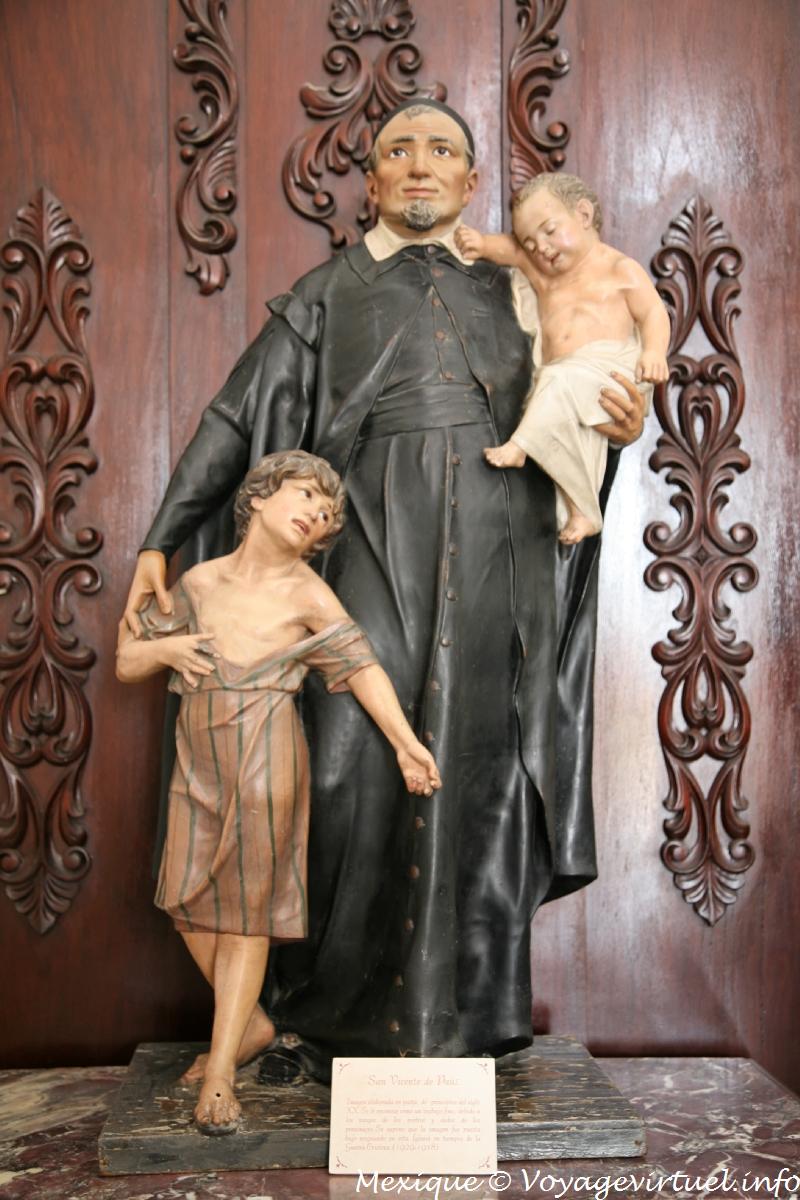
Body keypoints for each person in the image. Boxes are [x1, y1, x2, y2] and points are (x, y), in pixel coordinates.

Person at [123, 100, 646, 1082]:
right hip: (362, 544)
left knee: (482, 772)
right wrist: (160, 539)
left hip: (499, 557)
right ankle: (323, 1014)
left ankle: (461, 1019)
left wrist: (615, 428)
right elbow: (235, 419)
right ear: (370, 182)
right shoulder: (329, 293)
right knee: (342, 769)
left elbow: (587, 394)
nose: (418, 164)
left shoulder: (522, 291)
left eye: (441, 150)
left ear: (470, 181)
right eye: (397, 151)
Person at [116, 451, 440, 1133]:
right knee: (184, 903)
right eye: (304, 496)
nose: (315, 515)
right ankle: (253, 1026)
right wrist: (168, 650)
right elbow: (126, 660)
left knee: (245, 916)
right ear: (259, 498)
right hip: (197, 762)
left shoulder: (308, 594)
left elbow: (362, 668)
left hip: (267, 756)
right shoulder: (199, 582)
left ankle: (222, 1072)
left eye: (326, 514)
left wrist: (405, 742)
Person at [456, 173, 670, 543]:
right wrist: (483, 244)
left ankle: (519, 447)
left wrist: (653, 352)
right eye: (530, 241)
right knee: (568, 449)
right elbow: (511, 251)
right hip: (565, 382)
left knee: (556, 382)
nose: (540, 248)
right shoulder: (543, 274)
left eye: (550, 231)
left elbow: (653, 312)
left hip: (606, 372)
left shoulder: (619, 269)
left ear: (583, 215)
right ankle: (582, 510)